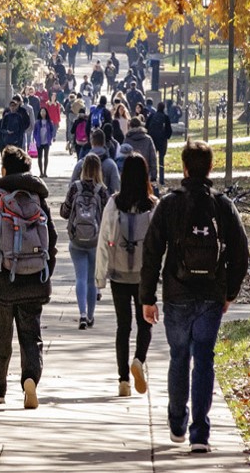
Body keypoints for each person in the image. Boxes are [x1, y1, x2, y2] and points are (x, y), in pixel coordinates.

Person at [141, 141, 249, 453]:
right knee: (204, 358)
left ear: (185, 168)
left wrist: (147, 297)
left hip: (177, 292)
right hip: (211, 295)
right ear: (210, 168)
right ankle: (200, 433)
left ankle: (177, 421)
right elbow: (240, 253)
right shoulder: (223, 205)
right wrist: (230, 292)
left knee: (179, 356)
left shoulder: (169, 204)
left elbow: (151, 253)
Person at [0, 146, 57, 410]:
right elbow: (51, 239)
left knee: (1, 335)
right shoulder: (37, 200)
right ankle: (30, 379)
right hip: (34, 280)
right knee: (31, 335)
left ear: (4, 170)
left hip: (2, 283)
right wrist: (45, 272)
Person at [96, 152, 157, 397]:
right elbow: (159, 245)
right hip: (145, 276)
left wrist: (99, 277)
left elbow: (103, 240)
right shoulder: (153, 206)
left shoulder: (114, 203)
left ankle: (123, 380)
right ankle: (139, 360)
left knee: (123, 327)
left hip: (119, 274)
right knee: (145, 324)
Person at [62, 154, 109, 329]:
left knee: (79, 277)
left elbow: (65, 212)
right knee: (91, 280)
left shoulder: (75, 188)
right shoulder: (102, 190)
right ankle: (90, 316)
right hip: (95, 241)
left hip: (76, 242)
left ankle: (81, 313)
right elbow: (107, 215)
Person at [74, 130, 120, 194]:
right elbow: (116, 188)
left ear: (91, 142)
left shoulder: (81, 164)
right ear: (103, 142)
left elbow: (72, 187)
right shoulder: (111, 165)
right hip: (104, 202)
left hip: (81, 202)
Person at [124, 117, 159, 185]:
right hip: (145, 172)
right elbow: (153, 158)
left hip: (130, 172)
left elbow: (123, 156)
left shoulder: (127, 139)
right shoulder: (148, 139)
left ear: (130, 126)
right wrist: (154, 175)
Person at [147, 102, 174, 186]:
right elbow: (169, 130)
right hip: (162, 141)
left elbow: (146, 126)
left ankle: (153, 177)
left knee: (152, 159)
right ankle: (161, 179)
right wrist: (166, 137)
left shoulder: (152, 116)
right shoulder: (165, 117)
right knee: (161, 160)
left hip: (153, 139)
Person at [32, 107, 56, 177]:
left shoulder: (49, 122)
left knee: (46, 157)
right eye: (41, 112)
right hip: (39, 142)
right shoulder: (37, 122)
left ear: (46, 113)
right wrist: (36, 139)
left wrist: (51, 137)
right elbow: (35, 132)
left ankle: (45, 172)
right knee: (39, 157)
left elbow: (52, 130)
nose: (43, 113)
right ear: (40, 113)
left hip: (46, 142)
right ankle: (41, 172)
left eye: (44, 112)